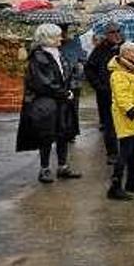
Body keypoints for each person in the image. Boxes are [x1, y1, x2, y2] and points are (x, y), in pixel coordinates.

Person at [16, 23, 82, 183]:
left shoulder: (58, 54)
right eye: (58, 35)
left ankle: (62, 166)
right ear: (48, 38)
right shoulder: (39, 57)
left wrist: (71, 86)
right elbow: (43, 83)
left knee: (64, 133)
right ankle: (44, 169)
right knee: (46, 135)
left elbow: (68, 73)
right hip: (46, 102)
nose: (61, 37)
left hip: (61, 101)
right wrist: (64, 92)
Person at [107, 41, 134, 201]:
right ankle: (115, 186)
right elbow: (121, 97)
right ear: (125, 54)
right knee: (125, 152)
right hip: (128, 117)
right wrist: (133, 112)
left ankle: (132, 181)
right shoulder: (119, 73)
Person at [85, 22, 122, 165]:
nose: (116, 34)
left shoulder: (125, 48)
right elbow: (89, 69)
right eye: (112, 32)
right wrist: (99, 86)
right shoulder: (100, 49)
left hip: (124, 93)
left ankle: (126, 152)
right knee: (110, 124)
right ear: (107, 35)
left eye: (118, 31)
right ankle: (112, 153)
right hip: (107, 93)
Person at [59, 25, 85, 144]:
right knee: (64, 108)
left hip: (73, 82)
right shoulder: (56, 46)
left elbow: (81, 61)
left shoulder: (74, 42)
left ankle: (71, 132)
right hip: (63, 83)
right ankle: (64, 131)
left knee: (73, 108)